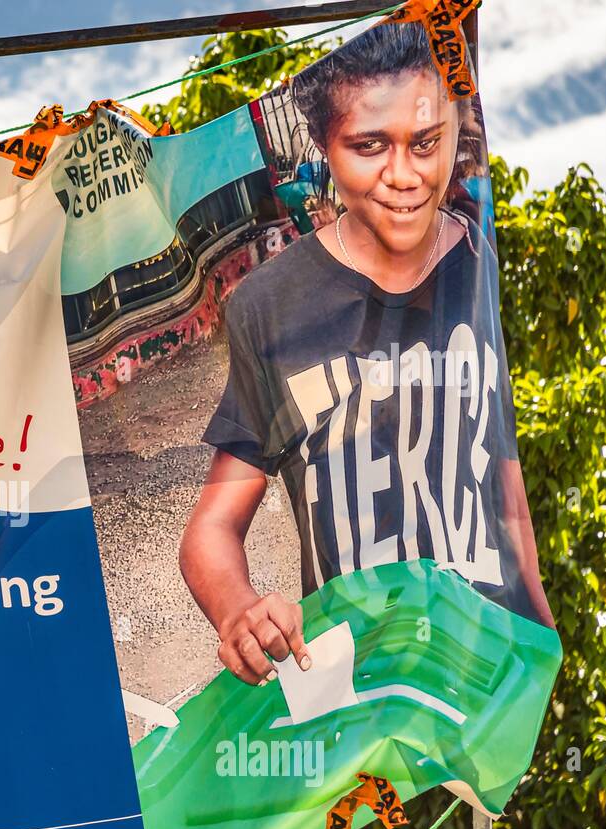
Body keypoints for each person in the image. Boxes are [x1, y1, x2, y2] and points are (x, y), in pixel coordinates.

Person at [180, 21, 555, 687]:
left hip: (482, 681)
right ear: (324, 146)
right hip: (352, 700)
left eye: (425, 143)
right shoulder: (270, 305)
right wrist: (239, 610)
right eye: (369, 146)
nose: (404, 176)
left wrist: (543, 644)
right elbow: (210, 530)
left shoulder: (474, 261)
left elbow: (504, 482)